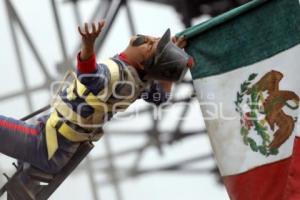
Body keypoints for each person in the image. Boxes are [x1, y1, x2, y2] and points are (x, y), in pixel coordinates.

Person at [0, 20, 192, 174]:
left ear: (143, 65)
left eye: (151, 46)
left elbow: (89, 75)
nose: (149, 39)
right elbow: (160, 96)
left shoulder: (116, 75)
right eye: (155, 39)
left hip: (45, 145)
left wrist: (88, 46)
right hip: (54, 145)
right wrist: (168, 67)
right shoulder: (137, 83)